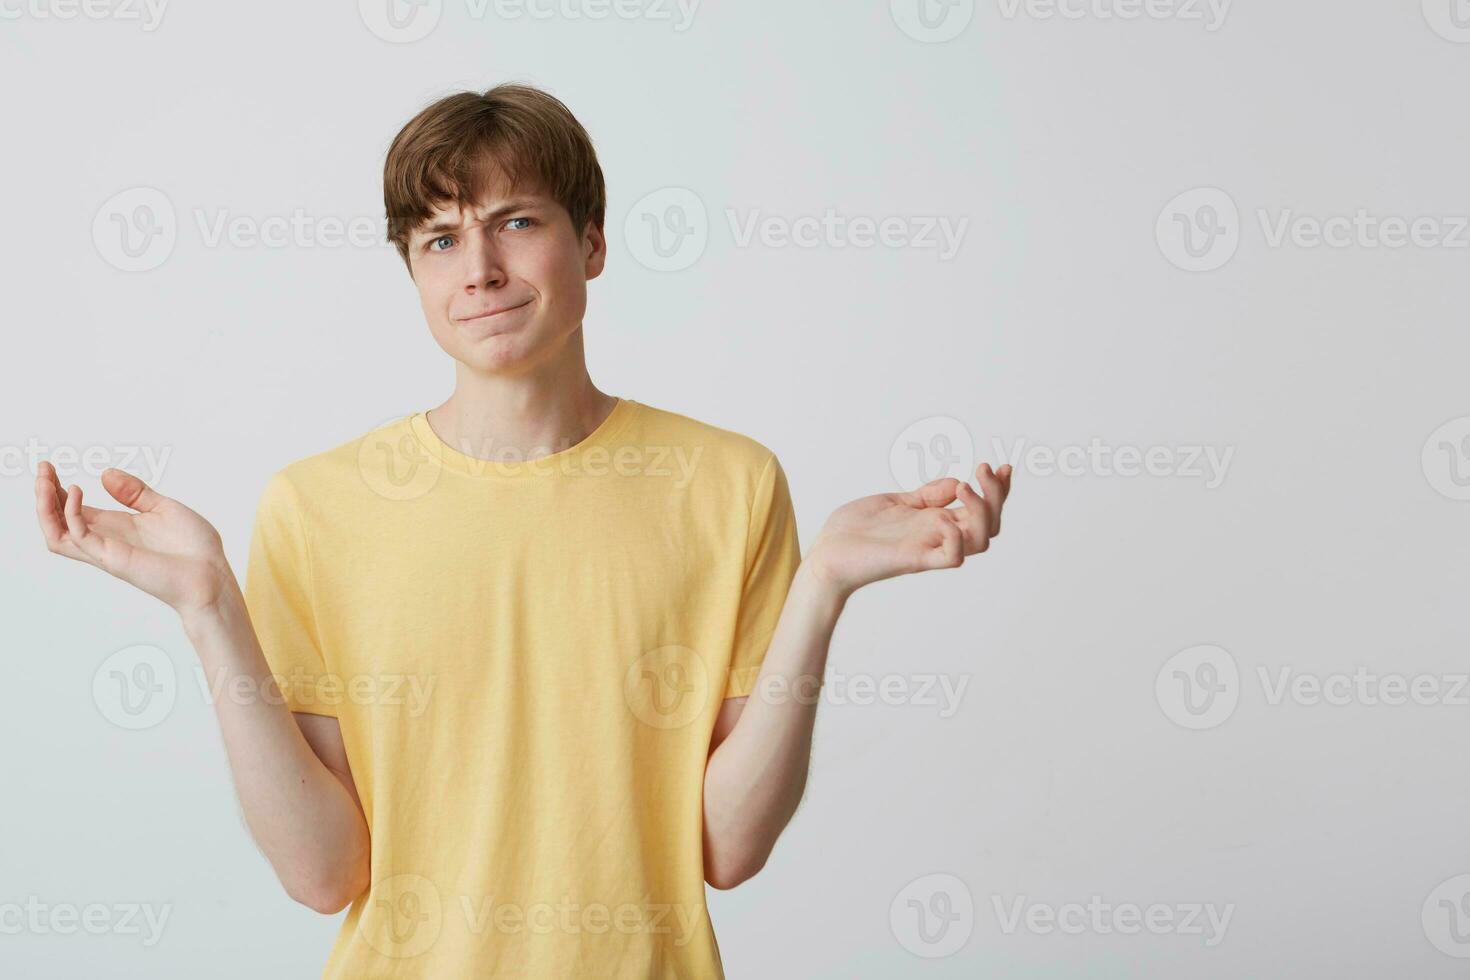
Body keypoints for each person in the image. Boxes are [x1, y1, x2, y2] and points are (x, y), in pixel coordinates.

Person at [33, 83, 1012, 979]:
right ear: (412, 272)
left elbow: (727, 848)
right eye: (441, 240)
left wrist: (823, 588)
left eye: (515, 222)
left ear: (590, 240)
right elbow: (323, 872)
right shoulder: (315, 506)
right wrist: (209, 608)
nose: (482, 270)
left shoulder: (728, 483)